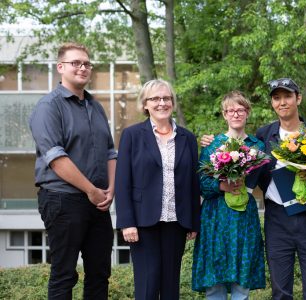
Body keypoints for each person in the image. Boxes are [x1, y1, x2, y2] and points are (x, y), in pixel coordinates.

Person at [201, 78, 306, 299]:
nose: (282, 102)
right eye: (276, 98)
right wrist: (211, 140)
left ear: (298, 98)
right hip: (277, 219)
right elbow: (236, 143)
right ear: (272, 103)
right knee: (280, 291)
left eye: (287, 96)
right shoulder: (263, 137)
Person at [29, 42, 116, 299]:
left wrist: (111, 190)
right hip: (62, 199)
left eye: (87, 63)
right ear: (60, 68)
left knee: (100, 274)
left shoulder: (95, 107)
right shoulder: (48, 107)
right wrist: (91, 190)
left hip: (98, 202)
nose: (83, 68)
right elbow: (56, 158)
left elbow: (111, 152)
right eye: (76, 63)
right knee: (64, 274)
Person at [114, 79, 201, 300]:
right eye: (155, 98)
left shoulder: (187, 138)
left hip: (177, 221)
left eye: (166, 98)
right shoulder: (132, 135)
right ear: (145, 104)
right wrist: (127, 222)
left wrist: (193, 221)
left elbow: (192, 181)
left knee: (171, 286)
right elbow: (123, 180)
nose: (161, 103)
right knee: (147, 285)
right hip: (143, 223)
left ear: (172, 102)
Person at [192, 91, 266, 299]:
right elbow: (201, 184)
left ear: (247, 113)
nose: (236, 114)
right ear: (224, 114)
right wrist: (222, 186)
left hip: (243, 216)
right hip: (216, 215)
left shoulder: (256, 146)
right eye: (231, 110)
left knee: (241, 280)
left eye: (240, 109)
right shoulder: (212, 145)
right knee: (215, 278)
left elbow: (260, 179)